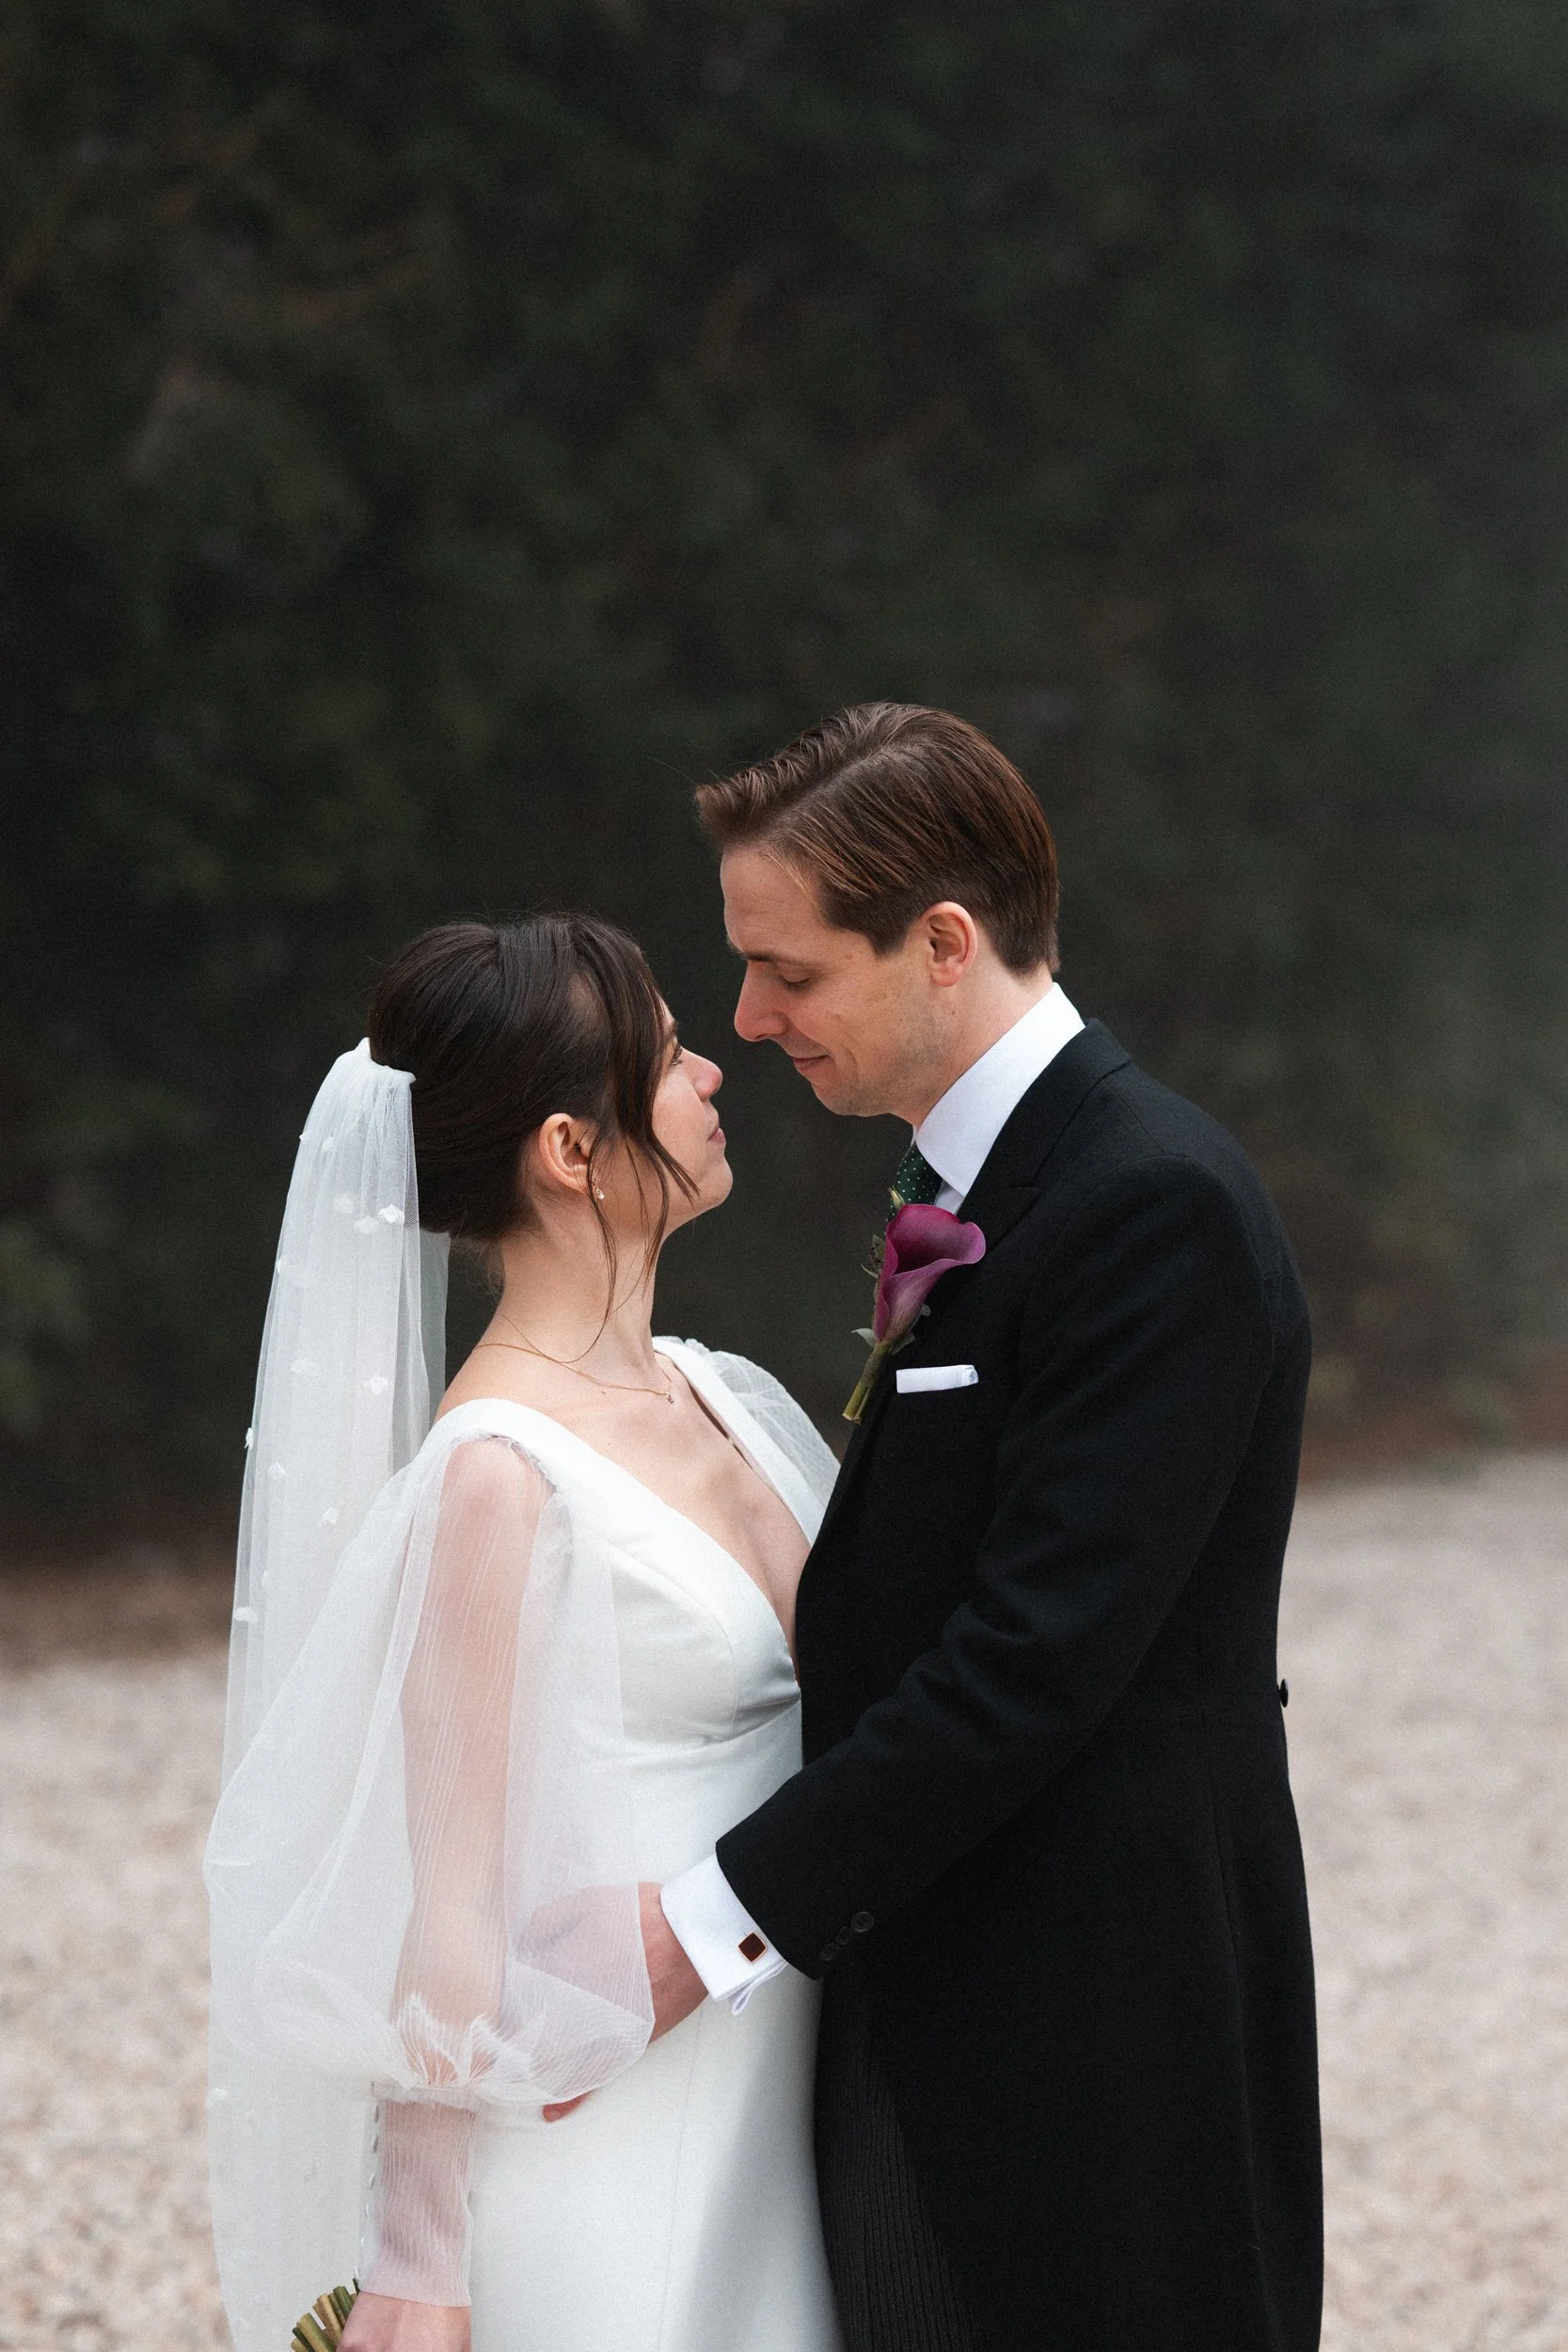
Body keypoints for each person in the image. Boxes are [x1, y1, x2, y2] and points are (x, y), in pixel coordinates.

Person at [647, 704, 1323, 2351]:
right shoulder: (983, 1185)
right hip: (950, 1977)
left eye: (789, 972)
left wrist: (709, 1922)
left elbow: (1031, 1659)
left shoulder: (1147, 1202)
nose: (749, 1018)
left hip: (1098, 2022)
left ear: (942, 944)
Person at [205, 914, 845, 2352]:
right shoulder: (493, 1478)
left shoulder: (719, 1391)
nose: (712, 1073)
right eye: (668, 1056)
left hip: (783, 2101)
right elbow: (446, 1898)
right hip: (608, 2137)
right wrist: (419, 2260)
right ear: (569, 1150)